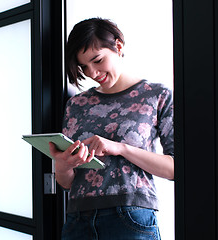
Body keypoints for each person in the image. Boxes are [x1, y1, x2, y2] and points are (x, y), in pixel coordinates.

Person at [49, 18, 174, 240]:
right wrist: (62, 165)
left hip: (130, 217)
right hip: (78, 219)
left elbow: (175, 168)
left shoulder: (157, 95)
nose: (92, 73)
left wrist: (121, 148)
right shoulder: (76, 104)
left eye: (97, 61)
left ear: (118, 46)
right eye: (84, 67)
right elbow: (68, 183)